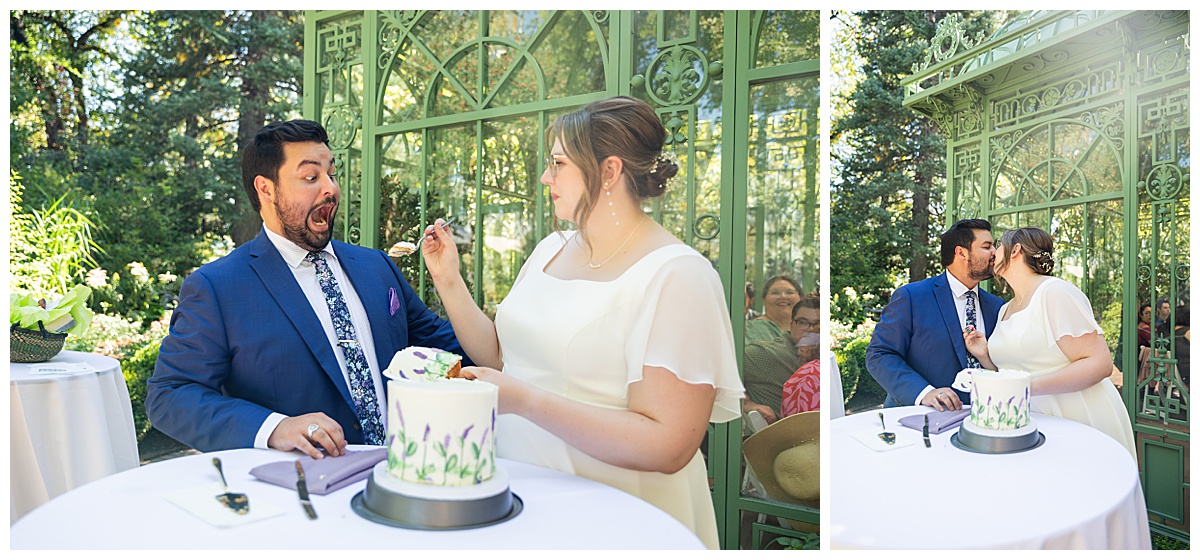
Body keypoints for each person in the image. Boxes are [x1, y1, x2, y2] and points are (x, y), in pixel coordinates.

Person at [419, 96, 744, 549]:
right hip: (521, 503)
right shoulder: (549, 249)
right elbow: (500, 356)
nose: (544, 177)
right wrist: (448, 280)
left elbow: (669, 445)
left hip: (616, 521)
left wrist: (525, 401)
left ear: (608, 171)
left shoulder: (678, 274)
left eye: (557, 163)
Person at [146, 120, 465, 459]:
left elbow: (455, 352)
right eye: (311, 177)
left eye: (332, 174)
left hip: (401, 475)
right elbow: (169, 395)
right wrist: (274, 427)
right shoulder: (217, 287)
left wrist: (453, 283)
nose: (330, 189)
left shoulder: (377, 267)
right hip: (300, 494)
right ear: (266, 189)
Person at [964, 226, 1136, 457]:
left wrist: (1026, 387)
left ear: (1015, 250)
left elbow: (1100, 364)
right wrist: (984, 354)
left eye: (998, 245)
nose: (993, 252)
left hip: (1076, 418)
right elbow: (1015, 372)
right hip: (1032, 422)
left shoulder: (1055, 292)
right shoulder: (1005, 308)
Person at [866, 219, 1005, 411]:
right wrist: (924, 393)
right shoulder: (911, 297)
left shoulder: (998, 306)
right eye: (987, 246)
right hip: (918, 420)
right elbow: (879, 354)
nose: (995, 253)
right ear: (961, 253)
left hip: (982, 418)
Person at [744, 298, 817, 423]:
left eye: (818, 324)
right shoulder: (766, 353)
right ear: (791, 325)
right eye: (803, 322)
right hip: (788, 437)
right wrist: (746, 404)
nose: (810, 329)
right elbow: (721, 373)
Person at [745, 276, 802, 342]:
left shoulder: (809, 330)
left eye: (789, 292)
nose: (783, 296)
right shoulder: (749, 330)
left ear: (801, 298)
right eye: (775, 293)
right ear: (764, 299)